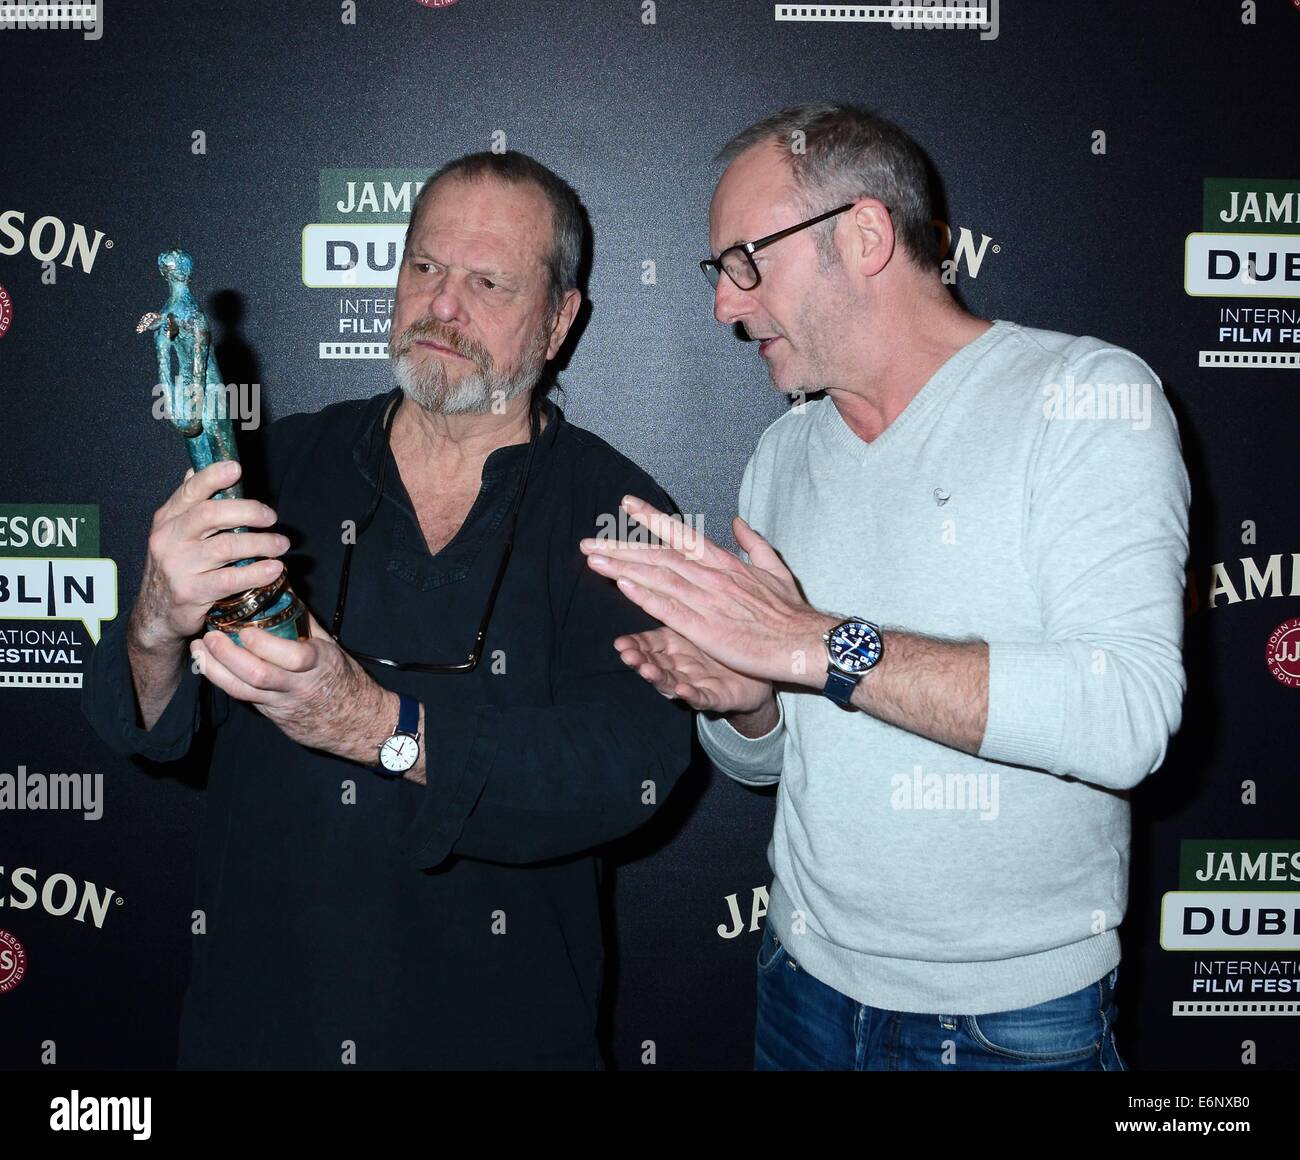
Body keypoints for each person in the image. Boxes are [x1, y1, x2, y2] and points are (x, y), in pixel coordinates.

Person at [580, 102, 1190, 1071]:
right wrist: (743, 703)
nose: (723, 306)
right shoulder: (779, 454)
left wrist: (816, 642)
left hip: (1009, 1024)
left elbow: (1126, 716)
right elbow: (772, 761)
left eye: (746, 260)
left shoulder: (1085, 400)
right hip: (798, 986)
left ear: (864, 236)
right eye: (718, 271)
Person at [81, 150, 692, 1070]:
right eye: (424, 268)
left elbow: (629, 771)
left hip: (502, 1038)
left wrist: (380, 727)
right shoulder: (270, 470)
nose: (444, 306)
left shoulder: (621, 515)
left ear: (561, 319)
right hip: (260, 1030)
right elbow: (151, 726)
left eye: (488, 282)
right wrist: (156, 624)